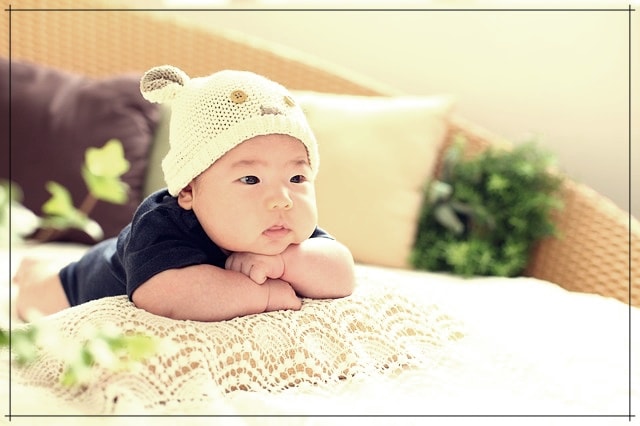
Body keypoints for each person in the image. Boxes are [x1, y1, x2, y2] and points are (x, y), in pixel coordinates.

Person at [14, 65, 356, 322]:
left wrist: (285, 262)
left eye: (297, 177)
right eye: (251, 179)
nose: (283, 197)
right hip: (84, 280)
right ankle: (34, 273)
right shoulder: (161, 220)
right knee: (37, 299)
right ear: (189, 191)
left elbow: (341, 272)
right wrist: (264, 294)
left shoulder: (282, 226)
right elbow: (165, 294)